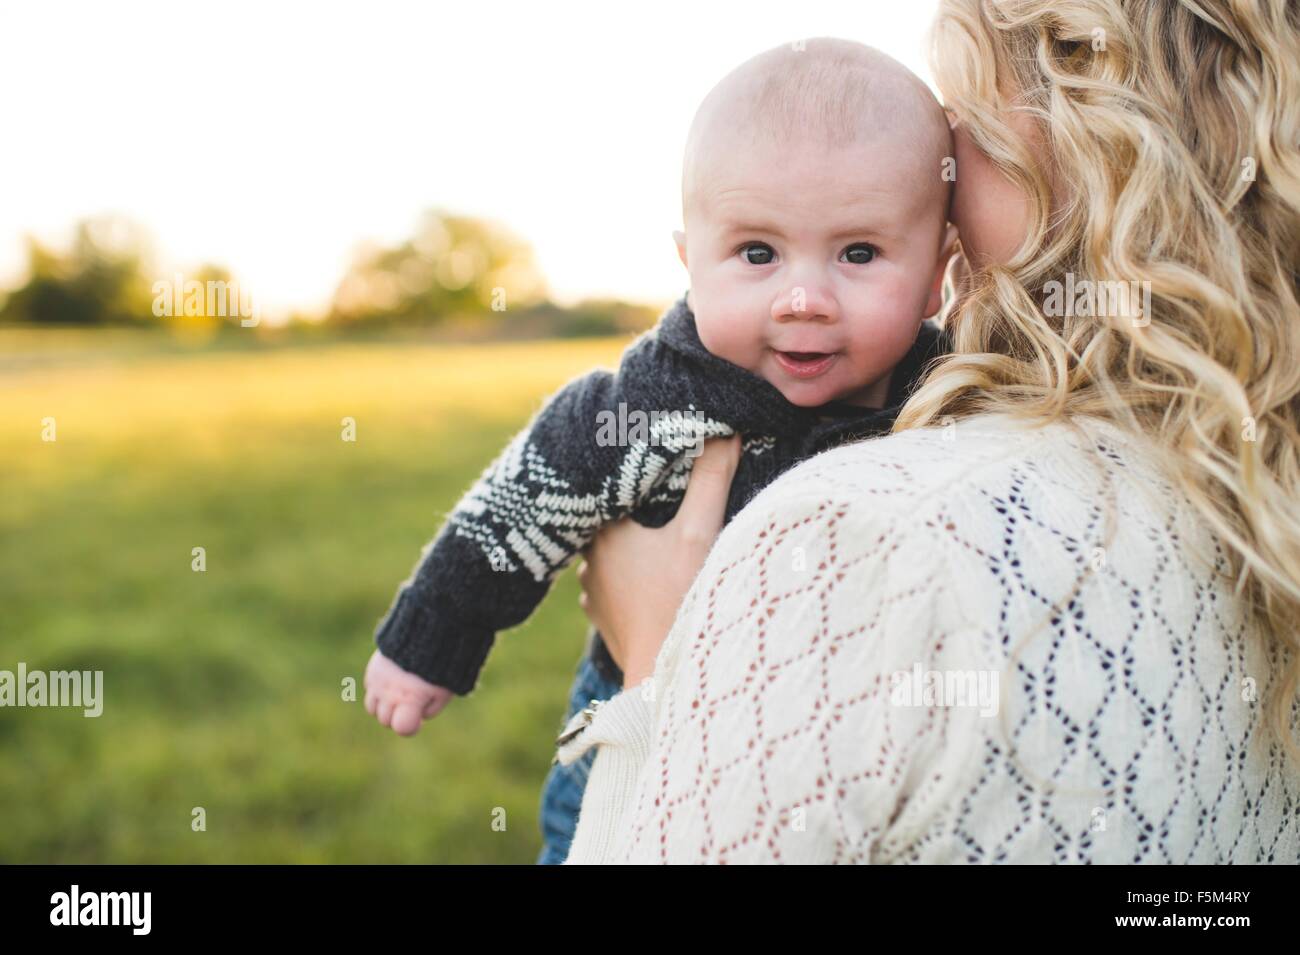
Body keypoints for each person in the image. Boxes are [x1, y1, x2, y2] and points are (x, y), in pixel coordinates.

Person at [556, 0, 1300, 863]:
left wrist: (653, 674)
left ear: (1087, 150)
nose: (937, 162)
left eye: (968, 121)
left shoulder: (867, 538)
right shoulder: (1264, 483)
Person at [359, 40, 960, 865]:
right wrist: (430, 636)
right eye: (758, 253)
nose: (805, 299)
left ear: (936, 277)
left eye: (859, 253)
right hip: (643, 747)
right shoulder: (655, 404)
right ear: (690, 264)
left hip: (830, 768)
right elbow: (521, 504)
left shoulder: (947, 404)